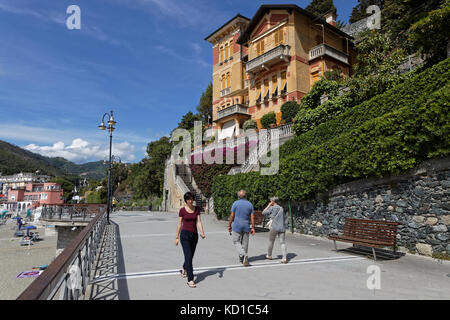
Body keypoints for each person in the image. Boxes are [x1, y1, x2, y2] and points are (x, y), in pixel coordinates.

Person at [175, 192, 206, 288]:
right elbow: (179, 224)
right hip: (184, 235)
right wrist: (176, 237)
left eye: (192, 199)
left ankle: (184, 267)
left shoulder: (196, 209)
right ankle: (190, 279)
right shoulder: (182, 211)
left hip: (194, 236)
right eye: (188, 199)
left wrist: (202, 232)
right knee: (188, 257)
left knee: (190, 256)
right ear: (186, 200)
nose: (190, 201)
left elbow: (199, 222)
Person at [228, 190, 255, 267]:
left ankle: (243, 255)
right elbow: (252, 217)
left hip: (237, 226)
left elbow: (232, 215)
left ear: (238, 196)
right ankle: (243, 259)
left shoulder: (235, 203)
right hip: (246, 226)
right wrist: (253, 227)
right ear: (245, 196)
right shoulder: (250, 204)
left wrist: (229, 225)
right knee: (245, 243)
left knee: (236, 241)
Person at [262, 197, 289, 263]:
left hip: (274, 227)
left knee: (271, 241)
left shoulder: (272, 208)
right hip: (282, 227)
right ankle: (284, 258)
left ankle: (269, 255)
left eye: (270, 201)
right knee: (282, 242)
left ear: (273, 201)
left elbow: (263, 212)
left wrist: (268, 205)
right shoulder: (281, 208)